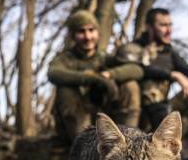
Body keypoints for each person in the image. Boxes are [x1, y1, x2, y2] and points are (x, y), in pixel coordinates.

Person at [48, 10, 143, 142]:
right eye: (81, 31)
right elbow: (53, 74)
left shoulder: (104, 58)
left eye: (91, 30)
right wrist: (94, 79)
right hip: (75, 122)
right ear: (73, 35)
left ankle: (129, 140)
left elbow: (136, 69)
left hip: (106, 116)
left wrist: (110, 74)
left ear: (97, 32)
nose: (87, 36)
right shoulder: (65, 59)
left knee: (130, 85)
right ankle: (82, 143)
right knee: (65, 90)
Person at [135, 7, 188, 147]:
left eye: (170, 25)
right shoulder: (135, 48)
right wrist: (173, 75)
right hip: (142, 113)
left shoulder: (169, 52)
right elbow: (139, 69)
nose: (169, 30)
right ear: (149, 27)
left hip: (165, 109)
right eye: (163, 25)